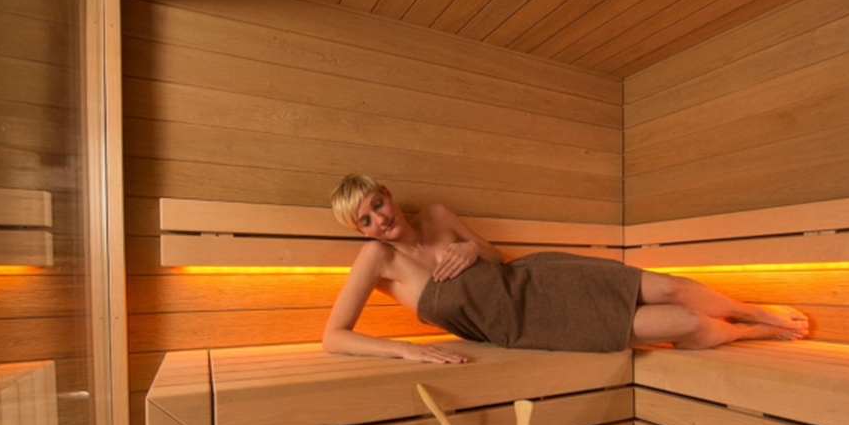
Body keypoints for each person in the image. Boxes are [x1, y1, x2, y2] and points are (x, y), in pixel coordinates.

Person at [323, 174, 808, 365]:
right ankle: (748, 333)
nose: (379, 220)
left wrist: (471, 248)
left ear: (387, 194)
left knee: (672, 289)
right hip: (531, 327)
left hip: (540, 278)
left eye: (377, 205)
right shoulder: (379, 259)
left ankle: (756, 313)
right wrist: (405, 350)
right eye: (364, 220)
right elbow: (334, 336)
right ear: (360, 231)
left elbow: (496, 259)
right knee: (682, 323)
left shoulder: (436, 215)